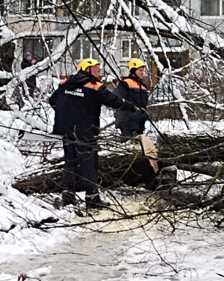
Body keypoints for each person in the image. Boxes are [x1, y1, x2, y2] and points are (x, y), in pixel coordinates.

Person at [48, 58, 144, 209]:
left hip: (66, 130)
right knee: (89, 165)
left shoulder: (66, 83)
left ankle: (68, 196)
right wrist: (132, 108)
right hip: (86, 132)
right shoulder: (95, 86)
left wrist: (67, 114)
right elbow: (114, 101)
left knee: (70, 163)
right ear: (87, 69)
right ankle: (92, 199)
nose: (100, 73)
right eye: (97, 70)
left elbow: (52, 101)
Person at [113, 58, 151, 138]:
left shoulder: (143, 86)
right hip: (127, 122)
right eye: (140, 70)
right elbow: (117, 99)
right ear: (133, 71)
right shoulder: (125, 83)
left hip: (139, 123)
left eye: (143, 71)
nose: (142, 73)